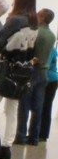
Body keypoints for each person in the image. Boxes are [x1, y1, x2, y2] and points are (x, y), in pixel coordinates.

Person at [0, 0, 38, 159]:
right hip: (22, 72)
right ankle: (6, 147)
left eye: (15, 0)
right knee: (12, 111)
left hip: (6, 70)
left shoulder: (15, 20)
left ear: (20, 2)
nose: (13, 3)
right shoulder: (34, 23)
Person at [14, 8, 56, 147]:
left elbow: (30, 52)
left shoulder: (36, 32)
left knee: (24, 105)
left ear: (42, 18)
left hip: (32, 71)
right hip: (44, 73)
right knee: (38, 107)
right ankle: (34, 137)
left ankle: (20, 136)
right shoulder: (52, 35)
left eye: (38, 15)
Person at [39, 43, 58, 143]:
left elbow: (47, 64)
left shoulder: (50, 49)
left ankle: (43, 134)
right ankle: (41, 134)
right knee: (44, 107)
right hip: (50, 80)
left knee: (46, 107)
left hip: (50, 81)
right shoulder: (51, 48)